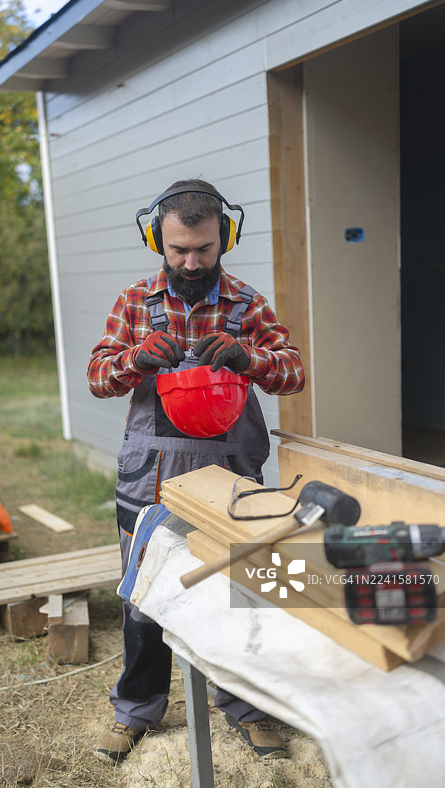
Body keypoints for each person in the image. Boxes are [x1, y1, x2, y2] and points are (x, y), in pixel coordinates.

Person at [87, 178, 305, 764]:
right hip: (150, 473)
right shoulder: (135, 302)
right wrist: (135, 359)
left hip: (230, 472)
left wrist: (248, 358)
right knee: (145, 597)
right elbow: (98, 377)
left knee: (238, 590)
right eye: (178, 249)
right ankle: (136, 710)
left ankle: (249, 710)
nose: (190, 262)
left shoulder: (246, 304)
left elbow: (293, 373)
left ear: (224, 238)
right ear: (158, 239)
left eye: (203, 249)